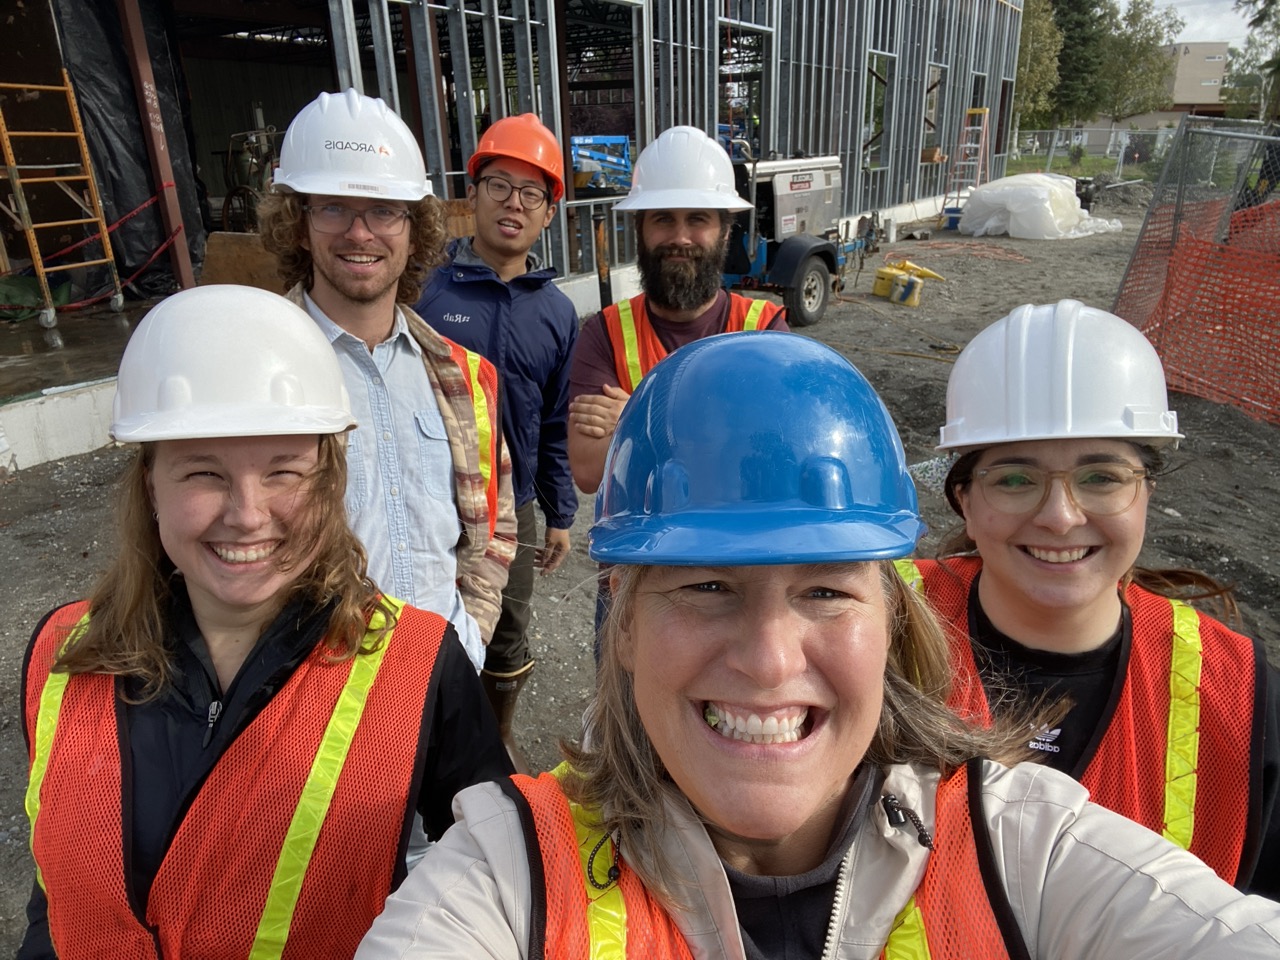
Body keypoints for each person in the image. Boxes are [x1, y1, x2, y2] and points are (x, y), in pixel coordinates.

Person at [356, 331, 1280, 959]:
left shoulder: (1026, 850)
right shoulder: (507, 871)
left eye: (827, 592)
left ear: (893, 621)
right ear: (622, 623)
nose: (769, 660)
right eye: (707, 587)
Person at [18, 285, 512, 959]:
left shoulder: (419, 667)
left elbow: (496, 885)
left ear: (329, 482)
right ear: (150, 485)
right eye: (204, 473)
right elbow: (58, 892)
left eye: (283, 473)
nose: (247, 516)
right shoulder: (60, 656)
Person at [896, 299, 1280, 899]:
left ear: (1146, 493)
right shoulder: (876, 622)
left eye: (1101, 477)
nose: (1060, 517)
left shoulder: (1241, 699)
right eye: (1015, 479)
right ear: (965, 501)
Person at [258, 89, 516, 674]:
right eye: (333, 208)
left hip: (441, 676)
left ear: (413, 228)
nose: (360, 233)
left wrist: (470, 638)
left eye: (383, 210)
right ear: (298, 224)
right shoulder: (254, 372)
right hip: (313, 692)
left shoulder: (463, 377)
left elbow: (496, 524)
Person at [415, 113, 578, 773]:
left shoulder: (556, 313)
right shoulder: (426, 292)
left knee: (508, 626)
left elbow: (556, 420)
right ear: (473, 194)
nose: (514, 203)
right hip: (431, 493)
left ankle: (495, 737)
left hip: (516, 505)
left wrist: (560, 511)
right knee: (422, 620)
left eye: (531, 193)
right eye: (500, 186)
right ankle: (416, 741)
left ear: (548, 213)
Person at [567, 124, 789, 496]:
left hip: (739, 530)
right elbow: (589, 470)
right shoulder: (604, 334)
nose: (680, 237)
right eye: (663, 218)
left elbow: (780, 456)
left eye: (697, 218)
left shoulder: (766, 331)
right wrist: (728, 428)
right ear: (640, 229)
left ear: (725, 232)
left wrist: (636, 420)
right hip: (641, 534)